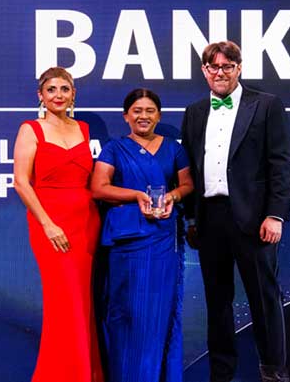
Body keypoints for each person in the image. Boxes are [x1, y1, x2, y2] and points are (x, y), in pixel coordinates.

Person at [180, 41, 290, 382]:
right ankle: (221, 375)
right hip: (209, 219)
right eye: (213, 67)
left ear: (239, 68)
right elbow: (190, 168)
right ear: (204, 71)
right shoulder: (195, 111)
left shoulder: (266, 105)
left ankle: (274, 374)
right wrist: (191, 217)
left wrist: (275, 214)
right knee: (217, 303)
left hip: (254, 220)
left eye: (227, 66)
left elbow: (281, 164)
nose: (220, 73)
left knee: (264, 300)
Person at [91, 88, 194, 382]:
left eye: (150, 111)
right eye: (137, 111)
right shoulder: (114, 148)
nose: (143, 116)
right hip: (126, 243)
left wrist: (172, 196)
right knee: (125, 312)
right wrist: (136, 195)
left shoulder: (173, 148)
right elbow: (99, 187)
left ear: (158, 116)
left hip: (162, 239)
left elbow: (187, 184)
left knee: (158, 313)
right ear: (126, 116)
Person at [13, 67, 104, 382]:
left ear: (73, 94)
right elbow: (21, 183)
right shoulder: (31, 129)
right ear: (40, 95)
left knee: (82, 303)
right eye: (51, 89)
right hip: (50, 223)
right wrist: (48, 225)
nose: (58, 95)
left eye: (64, 89)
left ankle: (85, 372)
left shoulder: (83, 128)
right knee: (63, 303)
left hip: (85, 223)